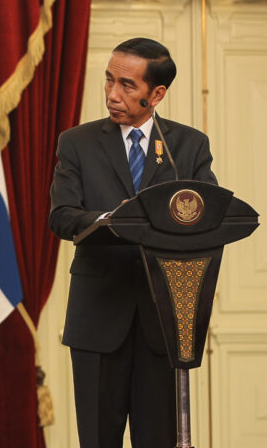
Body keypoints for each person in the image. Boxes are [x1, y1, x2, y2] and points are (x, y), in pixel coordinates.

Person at [48, 37, 217, 448]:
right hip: (97, 317)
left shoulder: (188, 146)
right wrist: (111, 220)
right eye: (108, 81)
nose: (112, 95)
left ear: (156, 94)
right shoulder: (77, 142)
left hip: (163, 320)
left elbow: (208, 218)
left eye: (127, 85)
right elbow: (62, 216)